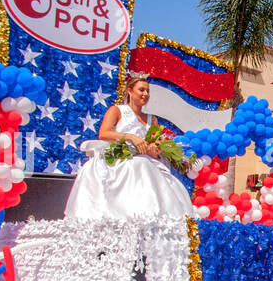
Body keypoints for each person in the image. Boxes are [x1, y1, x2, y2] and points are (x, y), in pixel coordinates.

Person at [64, 74, 194, 220]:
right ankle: (136, 215)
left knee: (166, 179)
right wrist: (131, 137)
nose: (145, 94)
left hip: (148, 161)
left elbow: (154, 144)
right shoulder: (117, 111)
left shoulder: (152, 119)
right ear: (130, 91)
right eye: (141, 90)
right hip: (122, 158)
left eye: (148, 91)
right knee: (139, 165)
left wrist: (154, 151)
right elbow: (103, 134)